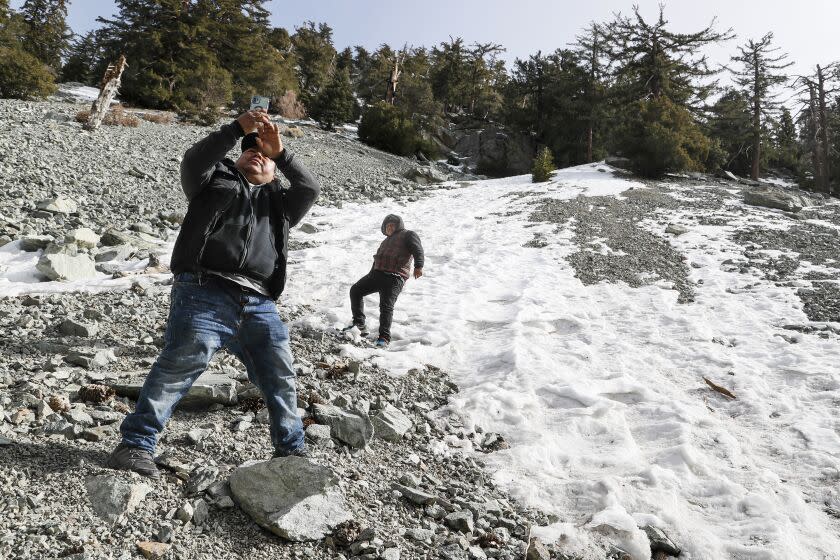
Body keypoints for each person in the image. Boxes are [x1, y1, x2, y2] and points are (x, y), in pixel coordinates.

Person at [107, 109, 320, 478]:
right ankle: (135, 445)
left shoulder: (281, 204)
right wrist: (239, 128)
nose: (258, 154)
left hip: (260, 304)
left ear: (274, 170)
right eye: (249, 150)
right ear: (237, 157)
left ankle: (291, 452)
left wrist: (281, 152)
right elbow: (194, 158)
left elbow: (310, 189)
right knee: (181, 363)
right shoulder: (213, 180)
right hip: (205, 290)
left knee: (280, 375)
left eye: (266, 156)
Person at [343, 215, 424, 347]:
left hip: (395, 277)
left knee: (386, 306)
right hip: (377, 275)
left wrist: (419, 266)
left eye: (393, 225)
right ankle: (359, 324)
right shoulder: (385, 241)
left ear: (399, 226)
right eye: (387, 226)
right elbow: (378, 260)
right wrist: (371, 275)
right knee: (356, 290)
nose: (390, 227)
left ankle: (384, 338)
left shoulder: (408, 235)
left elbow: (417, 249)